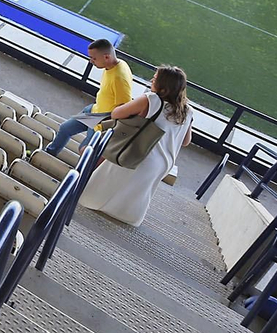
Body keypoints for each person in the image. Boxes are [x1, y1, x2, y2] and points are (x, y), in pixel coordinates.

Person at [78, 64, 194, 226]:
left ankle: (88, 200)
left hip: (139, 151)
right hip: (164, 162)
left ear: (163, 86)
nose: (151, 80)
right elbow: (186, 141)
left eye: (155, 79)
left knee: (109, 176)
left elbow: (117, 113)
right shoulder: (187, 111)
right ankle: (125, 216)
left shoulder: (151, 100)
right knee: (138, 191)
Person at [46, 39, 134, 156]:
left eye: (94, 58)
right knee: (65, 129)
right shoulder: (115, 65)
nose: (91, 61)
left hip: (102, 122)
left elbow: (124, 108)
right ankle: (49, 153)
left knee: (85, 151)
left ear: (106, 57)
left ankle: (79, 173)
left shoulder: (119, 79)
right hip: (94, 111)